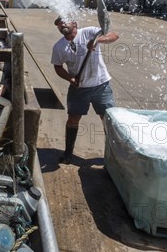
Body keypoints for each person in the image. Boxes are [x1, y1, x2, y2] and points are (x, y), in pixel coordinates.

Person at [51, 17, 119, 164]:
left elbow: (114, 35)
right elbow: (57, 67)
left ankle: (113, 156)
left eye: (64, 21)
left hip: (101, 85)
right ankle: (68, 153)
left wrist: (97, 41)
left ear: (74, 23)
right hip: (79, 88)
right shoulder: (58, 47)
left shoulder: (89, 32)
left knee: (108, 119)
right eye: (58, 24)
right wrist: (70, 79)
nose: (61, 24)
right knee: (73, 119)